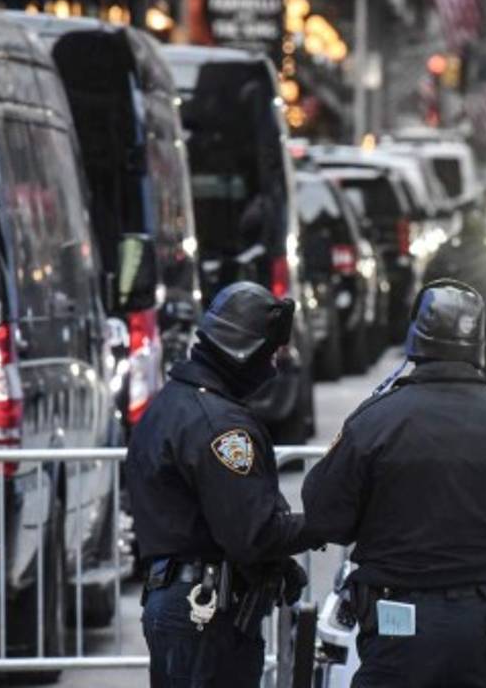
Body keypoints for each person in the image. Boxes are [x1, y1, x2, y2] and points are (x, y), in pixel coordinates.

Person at [302, 280, 486, 688]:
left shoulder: (375, 420)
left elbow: (325, 515)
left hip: (398, 626)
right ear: (478, 345)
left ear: (415, 339)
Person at [127, 282, 311, 688]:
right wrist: (321, 523)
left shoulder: (172, 404)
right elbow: (253, 532)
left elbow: (206, 515)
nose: (273, 366)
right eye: (269, 354)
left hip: (184, 606)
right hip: (205, 616)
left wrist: (277, 568)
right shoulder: (220, 426)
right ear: (244, 352)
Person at [424, 199, 486, 384]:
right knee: (460, 376)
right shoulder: (449, 250)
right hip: (456, 329)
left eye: (478, 214)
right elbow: (431, 284)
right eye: (470, 215)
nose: (475, 219)